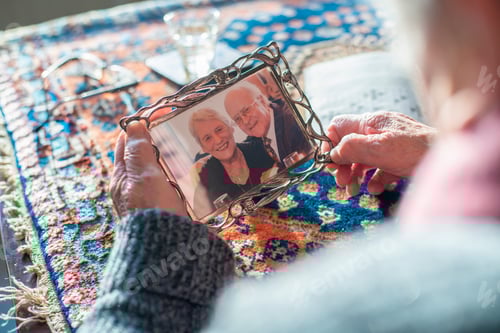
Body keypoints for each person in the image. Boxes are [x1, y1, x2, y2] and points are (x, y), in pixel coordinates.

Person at [79, 0, 500, 332]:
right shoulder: (204, 174)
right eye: (209, 138)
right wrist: (440, 145)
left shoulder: (283, 317)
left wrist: (152, 236)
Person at [188, 108, 276, 214]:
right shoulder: (205, 181)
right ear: (203, 147)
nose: (218, 140)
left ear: (231, 128)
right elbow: (209, 223)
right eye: (207, 138)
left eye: (219, 129)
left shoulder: (261, 149)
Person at [224, 81, 312, 169]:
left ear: (261, 100)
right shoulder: (256, 135)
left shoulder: (293, 122)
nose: (245, 121)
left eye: (246, 110)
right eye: (237, 119)